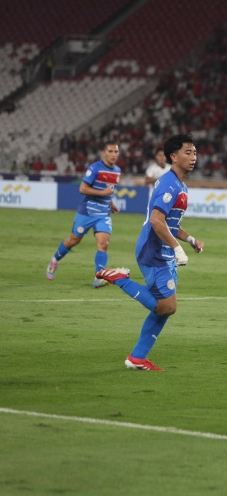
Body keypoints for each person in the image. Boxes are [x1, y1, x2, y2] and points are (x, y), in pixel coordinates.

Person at [95, 134, 204, 370]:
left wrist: (189, 239)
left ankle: (137, 358)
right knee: (168, 306)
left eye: (194, 152)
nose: (193, 157)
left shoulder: (179, 184)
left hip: (163, 252)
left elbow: (169, 223)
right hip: (154, 252)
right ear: (173, 157)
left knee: (165, 308)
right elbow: (156, 220)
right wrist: (177, 249)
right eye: (188, 152)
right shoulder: (169, 183)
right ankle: (120, 278)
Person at [46, 141, 121, 287]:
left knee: (103, 244)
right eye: (110, 151)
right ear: (104, 153)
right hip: (87, 212)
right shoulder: (94, 168)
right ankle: (55, 260)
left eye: (116, 151)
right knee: (73, 241)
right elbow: (82, 189)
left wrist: (111, 204)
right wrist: (102, 193)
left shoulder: (117, 170)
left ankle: (99, 277)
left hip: (103, 214)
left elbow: (109, 190)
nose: (113, 154)